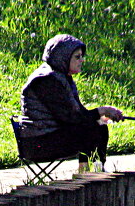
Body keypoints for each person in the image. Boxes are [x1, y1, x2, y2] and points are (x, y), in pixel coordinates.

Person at [15, 34, 124, 171]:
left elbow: (79, 114)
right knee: (91, 129)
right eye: (77, 57)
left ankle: (94, 171)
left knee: (99, 126)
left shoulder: (61, 77)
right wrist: (101, 111)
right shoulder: (47, 80)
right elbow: (72, 118)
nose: (82, 60)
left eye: (81, 56)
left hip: (50, 137)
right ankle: (88, 175)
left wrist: (104, 114)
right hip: (38, 143)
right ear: (63, 57)